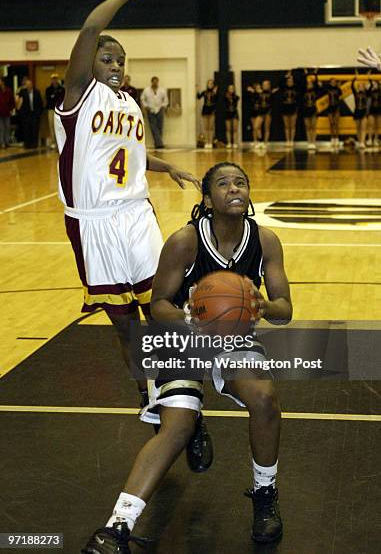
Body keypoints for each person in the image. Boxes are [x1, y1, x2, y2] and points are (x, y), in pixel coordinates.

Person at [54, 0, 209, 494]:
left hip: (135, 216)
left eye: (121, 57)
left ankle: (185, 397)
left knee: (161, 307)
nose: (116, 61)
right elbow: (91, 27)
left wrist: (169, 168)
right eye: (107, 55)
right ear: (88, 62)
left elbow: (133, 155)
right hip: (94, 227)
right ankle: (149, 394)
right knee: (124, 324)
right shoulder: (77, 98)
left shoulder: (130, 104)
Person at [82, 161, 293, 552]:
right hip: (182, 338)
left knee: (264, 399)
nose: (235, 189)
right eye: (225, 183)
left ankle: (266, 497)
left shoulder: (265, 241)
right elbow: (159, 302)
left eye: (242, 183)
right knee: (177, 426)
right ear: (208, 198)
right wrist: (191, 317)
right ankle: (117, 527)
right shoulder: (185, 241)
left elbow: (285, 309)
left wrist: (261, 306)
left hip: (234, 340)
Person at [141, 76, 168, 148]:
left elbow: (165, 100)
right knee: (153, 127)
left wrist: (163, 106)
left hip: (160, 110)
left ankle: (157, 144)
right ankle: (160, 143)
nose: (155, 83)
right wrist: (145, 106)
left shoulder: (162, 90)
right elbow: (142, 99)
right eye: (154, 81)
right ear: (152, 82)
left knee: (160, 127)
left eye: (157, 81)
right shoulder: (146, 90)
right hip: (150, 110)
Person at [15, 78, 43, 149]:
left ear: (32, 85)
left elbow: (40, 103)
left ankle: (34, 144)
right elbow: (17, 99)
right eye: (27, 84)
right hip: (26, 114)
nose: (29, 86)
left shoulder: (37, 92)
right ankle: (27, 144)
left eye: (30, 84)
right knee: (26, 130)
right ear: (25, 85)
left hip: (35, 114)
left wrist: (38, 113)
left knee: (35, 129)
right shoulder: (22, 91)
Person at [302, 69, 321, 151]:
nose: (309, 85)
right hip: (306, 110)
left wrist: (315, 74)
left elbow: (316, 83)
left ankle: (313, 142)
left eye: (311, 84)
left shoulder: (315, 91)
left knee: (313, 127)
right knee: (308, 127)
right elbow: (302, 83)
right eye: (308, 84)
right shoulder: (303, 91)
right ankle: (309, 142)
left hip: (313, 109)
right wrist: (306, 75)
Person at [197, 79, 218, 149]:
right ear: (207, 84)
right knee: (206, 127)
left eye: (211, 83)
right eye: (209, 83)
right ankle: (206, 142)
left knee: (211, 127)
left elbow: (217, 100)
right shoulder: (204, 92)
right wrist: (197, 90)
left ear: (213, 85)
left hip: (212, 109)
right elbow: (199, 97)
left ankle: (210, 142)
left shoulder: (214, 92)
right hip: (205, 109)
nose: (210, 85)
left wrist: (215, 93)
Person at [45, 73, 65, 150]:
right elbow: (49, 99)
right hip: (51, 109)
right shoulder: (48, 90)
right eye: (53, 79)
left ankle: (59, 142)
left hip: (60, 110)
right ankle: (53, 142)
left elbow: (62, 99)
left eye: (55, 79)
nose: (54, 80)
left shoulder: (62, 89)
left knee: (59, 125)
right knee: (51, 126)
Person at [351, 73, 369, 150]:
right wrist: (355, 78)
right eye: (359, 86)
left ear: (364, 88)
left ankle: (362, 142)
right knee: (358, 128)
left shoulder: (366, 93)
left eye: (362, 86)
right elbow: (352, 86)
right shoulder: (356, 94)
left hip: (364, 111)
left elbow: (371, 86)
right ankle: (359, 141)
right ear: (358, 88)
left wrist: (368, 77)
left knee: (363, 128)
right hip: (357, 111)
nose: (361, 87)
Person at [280, 72, 298, 148]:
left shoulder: (296, 88)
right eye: (288, 81)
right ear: (286, 82)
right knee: (287, 126)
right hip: (285, 109)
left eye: (291, 81)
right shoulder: (283, 88)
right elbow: (280, 82)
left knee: (292, 126)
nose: (290, 83)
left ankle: (292, 140)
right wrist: (286, 76)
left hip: (293, 108)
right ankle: (287, 140)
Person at [325, 78, 342, 150]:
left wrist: (338, 86)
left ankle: (337, 138)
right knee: (331, 123)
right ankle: (332, 138)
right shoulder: (327, 89)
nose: (333, 83)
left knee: (336, 123)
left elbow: (341, 93)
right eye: (332, 82)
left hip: (337, 107)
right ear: (329, 83)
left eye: (334, 82)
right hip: (330, 107)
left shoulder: (338, 89)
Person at [0, 77, 15, 149]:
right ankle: (2, 142)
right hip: (0, 113)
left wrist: (12, 108)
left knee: (7, 127)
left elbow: (12, 100)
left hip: (7, 112)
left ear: (3, 82)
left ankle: (7, 141)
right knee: (1, 128)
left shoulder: (8, 91)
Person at [246, 82, 263, 149]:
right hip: (253, 112)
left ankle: (260, 141)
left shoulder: (262, 94)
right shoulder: (253, 94)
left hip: (260, 112)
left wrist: (258, 92)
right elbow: (250, 99)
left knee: (257, 127)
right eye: (257, 88)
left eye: (259, 87)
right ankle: (255, 141)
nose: (258, 89)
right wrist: (251, 91)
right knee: (254, 127)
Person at [224, 84, 239, 149]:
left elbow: (235, 102)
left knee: (235, 129)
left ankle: (235, 143)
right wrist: (227, 97)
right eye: (230, 88)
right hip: (227, 113)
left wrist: (231, 97)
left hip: (234, 113)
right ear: (228, 89)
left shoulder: (236, 97)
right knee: (228, 129)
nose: (231, 89)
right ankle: (229, 143)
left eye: (232, 88)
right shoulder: (225, 96)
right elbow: (225, 103)